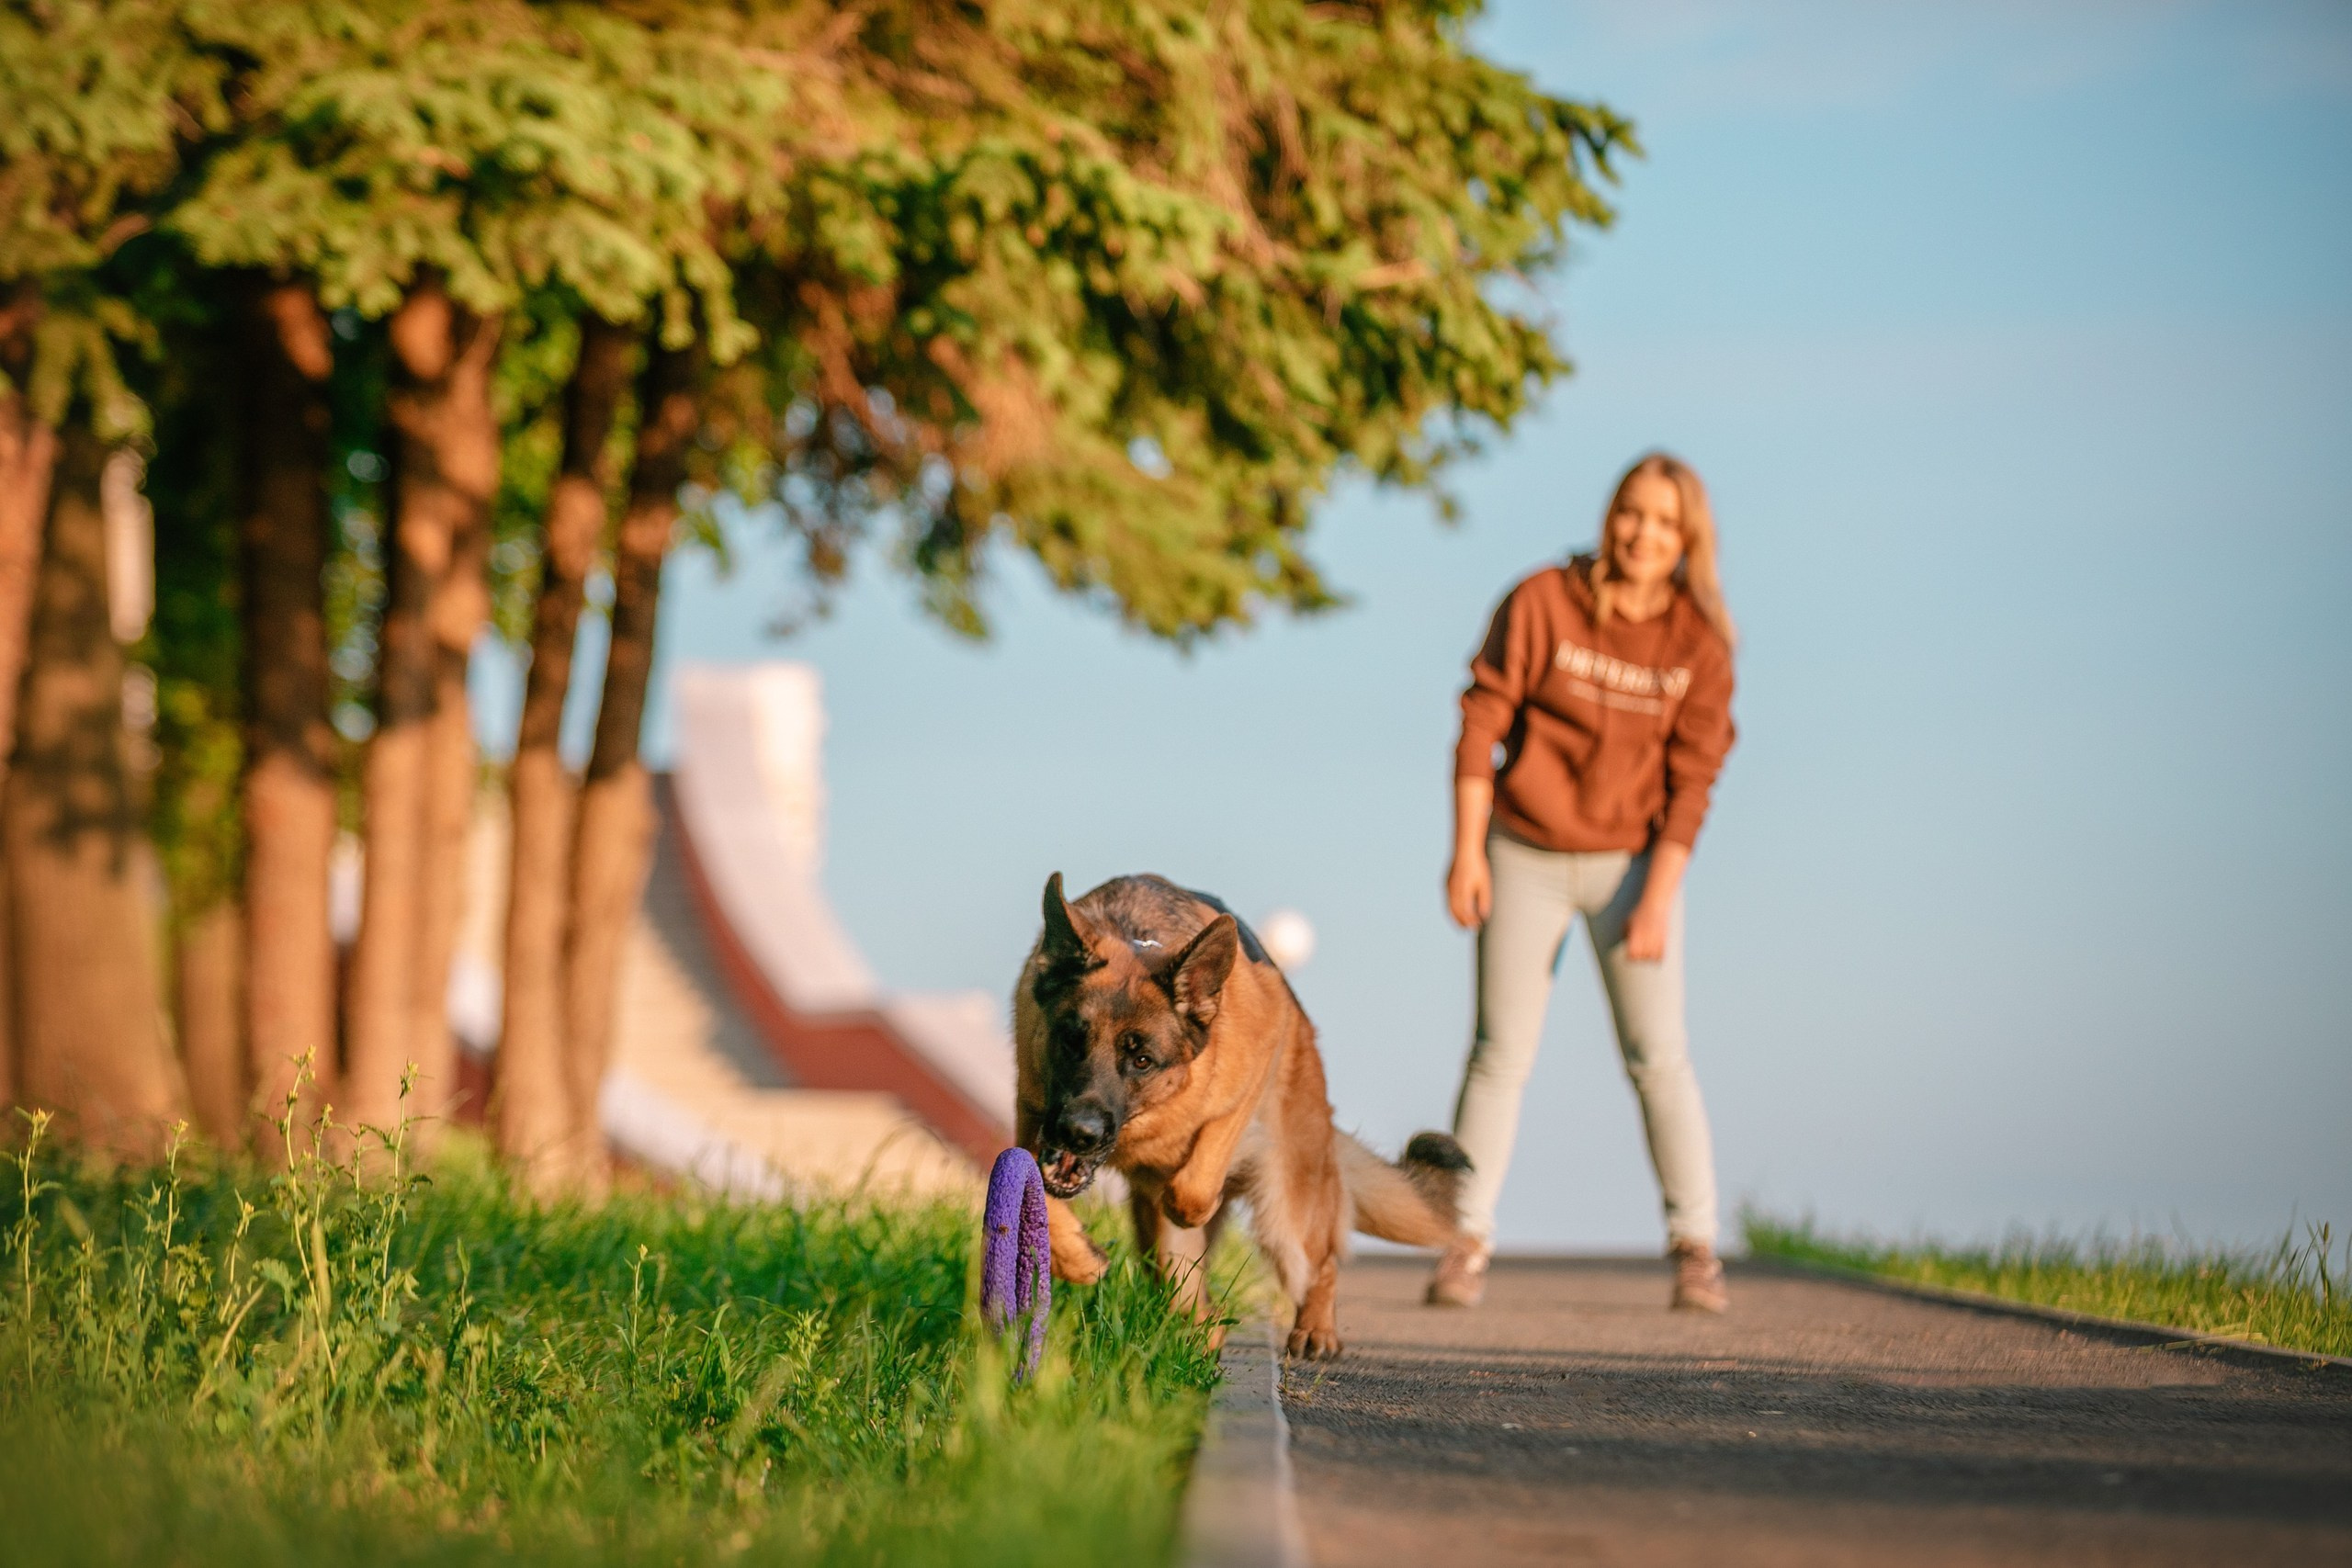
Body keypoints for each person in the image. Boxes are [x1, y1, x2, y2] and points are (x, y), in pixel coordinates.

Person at [1429, 452, 1737, 1313]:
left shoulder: (1699, 645)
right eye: (1632, 512)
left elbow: (1694, 781)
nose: (1644, 533)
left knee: (1658, 1055)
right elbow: (1480, 721)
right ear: (1610, 515)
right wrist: (1467, 852)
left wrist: (1658, 897)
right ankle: (1463, 1240)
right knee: (1498, 1052)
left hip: (1632, 866)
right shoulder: (1542, 601)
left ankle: (1695, 1247)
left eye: (1666, 522)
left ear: (1688, 539)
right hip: (1523, 850)